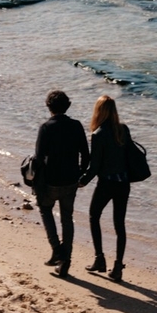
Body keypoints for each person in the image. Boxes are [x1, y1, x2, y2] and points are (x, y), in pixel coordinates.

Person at [34, 89, 89, 278]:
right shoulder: (76, 125)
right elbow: (86, 154)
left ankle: (57, 250)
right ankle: (65, 259)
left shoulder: (46, 127)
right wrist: (81, 174)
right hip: (71, 181)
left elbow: (39, 158)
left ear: (48, 106)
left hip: (50, 180)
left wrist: (35, 181)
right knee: (67, 217)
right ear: (68, 106)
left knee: (45, 210)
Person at [79, 94, 130, 282]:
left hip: (106, 183)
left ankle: (99, 259)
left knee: (94, 216)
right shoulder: (123, 129)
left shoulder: (98, 134)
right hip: (124, 183)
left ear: (98, 111)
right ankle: (118, 267)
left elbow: (95, 166)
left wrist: (82, 181)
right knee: (119, 224)